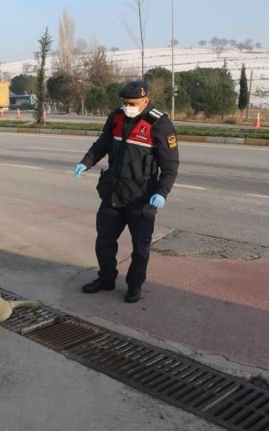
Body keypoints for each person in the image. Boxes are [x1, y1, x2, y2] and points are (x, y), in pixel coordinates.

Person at [73, 80, 179, 303]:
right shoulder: (117, 117)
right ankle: (106, 278)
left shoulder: (159, 124)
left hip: (142, 197)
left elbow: (170, 165)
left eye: (132, 103)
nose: (127, 106)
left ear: (145, 100)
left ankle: (134, 285)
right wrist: (87, 161)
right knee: (104, 241)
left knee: (140, 247)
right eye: (124, 102)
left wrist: (162, 192)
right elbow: (102, 143)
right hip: (114, 192)